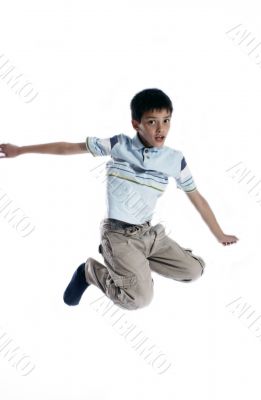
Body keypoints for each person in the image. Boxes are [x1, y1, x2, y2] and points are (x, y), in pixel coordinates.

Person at [0, 88, 239, 311]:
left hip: (149, 235)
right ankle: (89, 272)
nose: (160, 129)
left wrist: (219, 234)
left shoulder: (175, 159)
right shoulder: (118, 145)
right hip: (118, 235)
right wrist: (20, 150)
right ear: (136, 124)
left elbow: (197, 198)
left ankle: (132, 264)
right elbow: (68, 147)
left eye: (166, 121)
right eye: (152, 122)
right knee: (139, 299)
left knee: (194, 270)